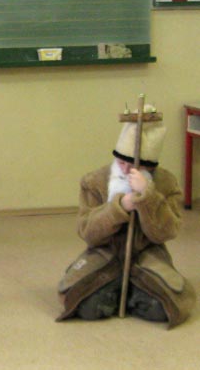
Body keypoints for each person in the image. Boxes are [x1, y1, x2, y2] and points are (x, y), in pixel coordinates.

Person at [57, 105, 196, 328]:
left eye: (132, 166)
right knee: (87, 307)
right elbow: (88, 232)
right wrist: (119, 207)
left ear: (149, 168)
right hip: (105, 253)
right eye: (121, 163)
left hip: (146, 254)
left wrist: (148, 198)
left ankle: (134, 288)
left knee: (163, 307)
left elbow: (166, 232)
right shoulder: (95, 181)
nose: (124, 170)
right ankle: (116, 286)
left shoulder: (167, 183)